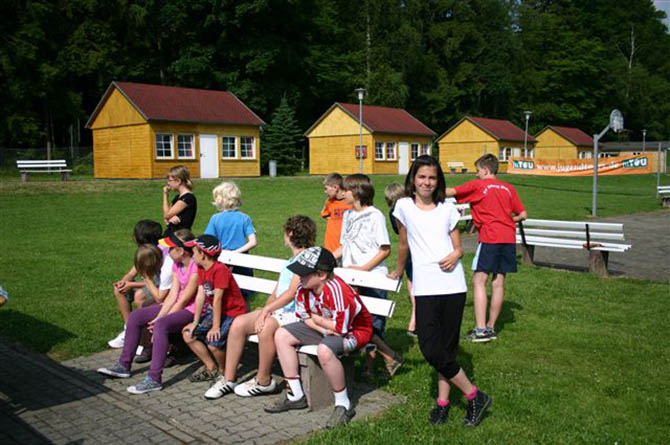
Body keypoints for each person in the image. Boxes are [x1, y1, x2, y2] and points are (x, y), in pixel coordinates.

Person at [389, 154, 491, 426]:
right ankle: (474, 395)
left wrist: (456, 255)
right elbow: (402, 244)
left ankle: (443, 405)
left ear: (438, 181)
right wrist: (399, 271)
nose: (426, 182)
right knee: (429, 348)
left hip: (452, 285)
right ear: (412, 179)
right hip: (425, 286)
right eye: (421, 177)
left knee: (446, 350)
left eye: (432, 177)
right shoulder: (403, 207)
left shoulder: (448, 209)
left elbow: (458, 246)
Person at [204, 215, 316, 398]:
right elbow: (277, 290)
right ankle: (228, 378)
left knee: (265, 327)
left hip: (295, 312)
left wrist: (266, 312)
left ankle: (264, 381)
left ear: (291, 234)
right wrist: (266, 308)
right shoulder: (290, 260)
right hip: (280, 310)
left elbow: (290, 294)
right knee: (239, 323)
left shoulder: (305, 259)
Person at [265, 247, 373, 428]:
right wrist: (321, 326)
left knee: (324, 350)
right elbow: (306, 317)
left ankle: (343, 404)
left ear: (321, 275)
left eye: (304, 273)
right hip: (324, 328)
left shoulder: (338, 290)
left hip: (355, 331)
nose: (299, 277)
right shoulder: (303, 287)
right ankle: (295, 395)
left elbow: (341, 329)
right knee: (282, 334)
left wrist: (318, 320)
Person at [97, 229, 199, 394]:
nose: (166, 251)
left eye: (171, 248)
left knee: (161, 326)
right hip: (176, 305)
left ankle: (154, 378)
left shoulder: (195, 268)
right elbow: (172, 296)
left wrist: (161, 319)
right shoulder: (177, 265)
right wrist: (159, 315)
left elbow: (183, 301)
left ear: (181, 251)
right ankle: (124, 365)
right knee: (136, 316)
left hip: (191, 309)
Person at [446, 153, 527, 343]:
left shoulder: (478, 186)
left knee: (479, 280)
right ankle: (491, 327)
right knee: (498, 282)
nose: (476, 175)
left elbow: (451, 192)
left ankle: (481, 330)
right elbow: (523, 214)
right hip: (508, 237)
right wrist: (507, 220)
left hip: (490, 237)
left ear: (485, 170)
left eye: (477, 171)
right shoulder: (508, 188)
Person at [333, 174, 403, 379]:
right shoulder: (347, 215)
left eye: (345, 190)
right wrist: (325, 258)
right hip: (351, 277)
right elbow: (344, 246)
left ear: (356, 192)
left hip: (372, 276)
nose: (342, 193)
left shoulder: (375, 215)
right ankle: (387, 359)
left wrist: (362, 269)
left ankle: (370, 368)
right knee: (356, 322)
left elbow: (385, 250)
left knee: (373, 323)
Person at [180, 234, 247, 398]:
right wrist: (195, 321)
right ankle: (212, 367)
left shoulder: (220, 270)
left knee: (214, 344)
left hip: (232, 312)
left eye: (193, 251)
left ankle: (225, 372)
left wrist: (215, 327)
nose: (191, 254)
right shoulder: (202, 268)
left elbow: (217, 299)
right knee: (188, 334)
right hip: (215, 311)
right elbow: (201, 295)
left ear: (202, 254)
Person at [108, 220, 173, 349]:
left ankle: (143, 335)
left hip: (162, 287)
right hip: (153, 284)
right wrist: (124, 281)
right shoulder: (145, 250)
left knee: (139, 296)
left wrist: (131, 285)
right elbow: (133, 272)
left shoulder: (160, 252)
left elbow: (156, 282)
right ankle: (130, 329)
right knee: (119, 290)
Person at [204, 181, 257, 303]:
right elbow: (253, 242)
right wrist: (237, 252)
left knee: (222, 293)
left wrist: (225, 252)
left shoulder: (215, 219)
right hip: (242, 259)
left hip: (222, 258)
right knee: (244, 295)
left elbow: (208, 240)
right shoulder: (245, 218)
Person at [385, 182, 417, 337]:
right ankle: (415, 322)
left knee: (413, 285)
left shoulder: (393, 213)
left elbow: (401, 237)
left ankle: (414, 323)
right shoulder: (410, 209)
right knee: (416, 286)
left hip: (410, 252)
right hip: (417, 249)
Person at [320, 173, 352, 255]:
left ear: (335, 187)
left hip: (346, 248)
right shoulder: (329, 202)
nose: (325, 191)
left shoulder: (351, 201)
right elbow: (325, 214)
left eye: (326, 188)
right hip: (331, 248)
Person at [163, 165, 197, 237]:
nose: (168, 183)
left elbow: (167, 215)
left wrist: (165, 195)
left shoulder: (188, 198)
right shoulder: (177, 197)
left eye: (170, 180)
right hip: (172, 234)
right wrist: (165, 194)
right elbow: (166, 217)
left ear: (178, 181)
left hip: (180, 237)